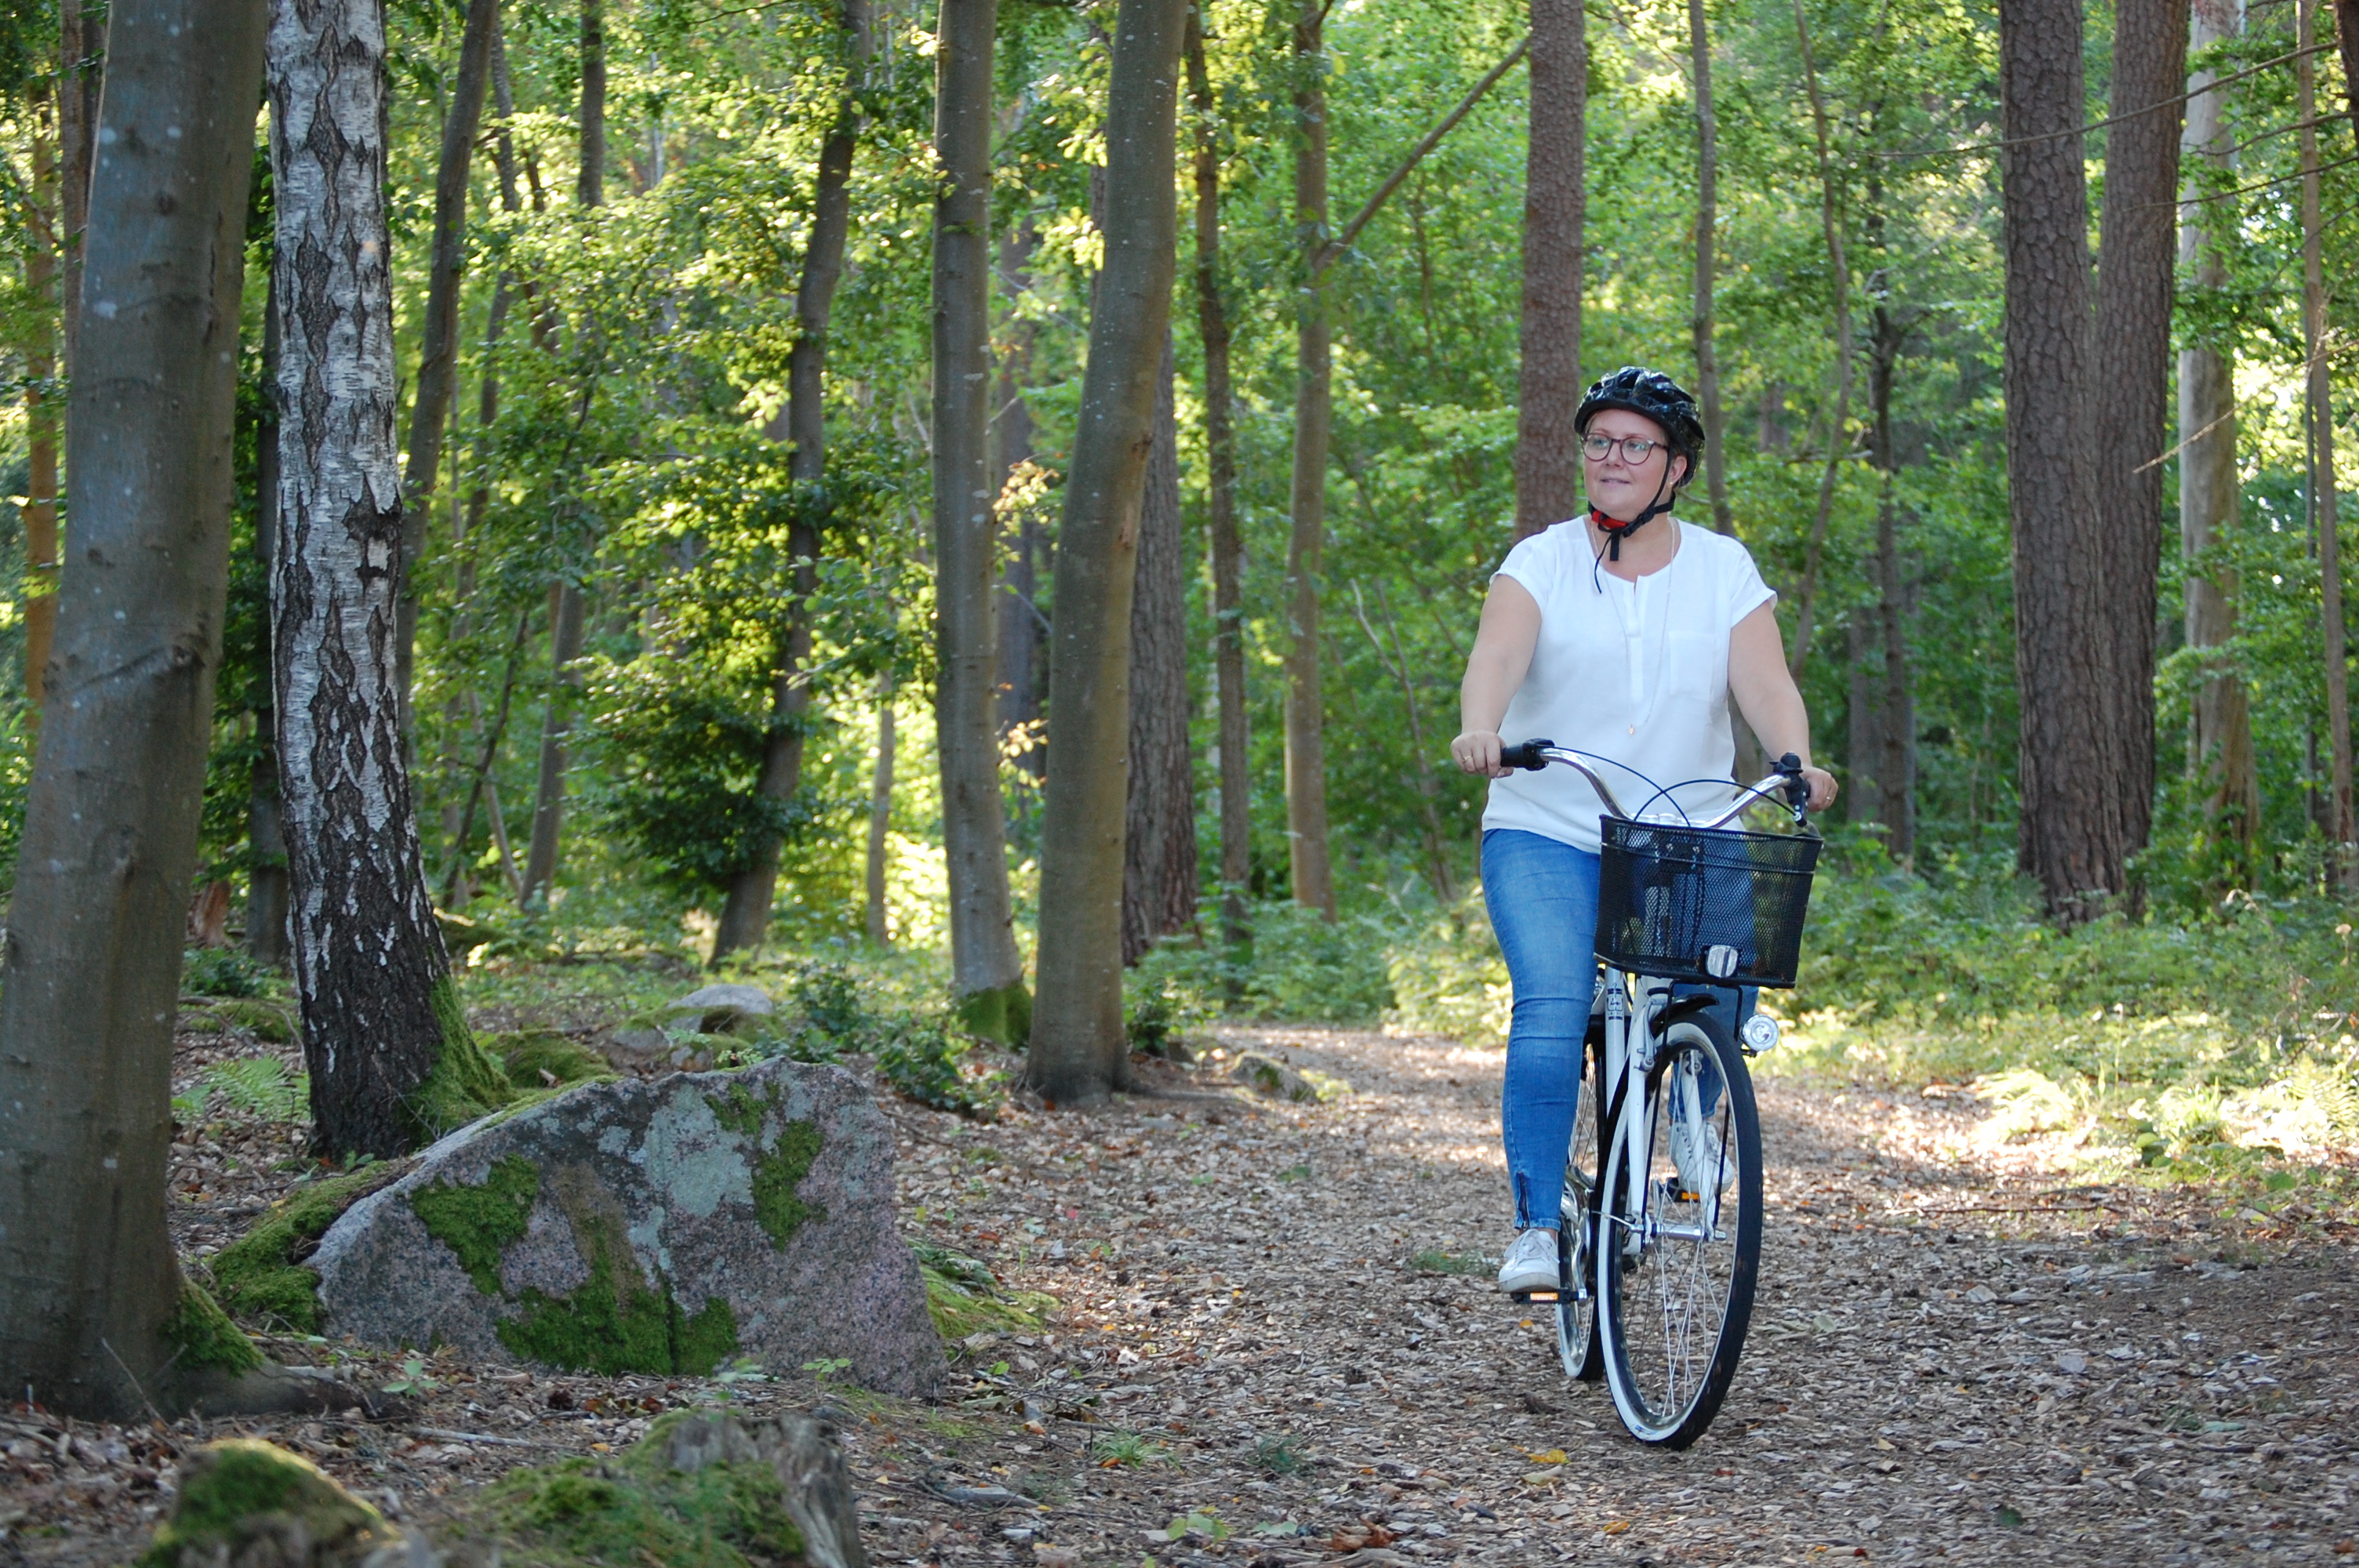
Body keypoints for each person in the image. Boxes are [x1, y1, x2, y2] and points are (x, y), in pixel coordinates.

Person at [1449, 366, 1837, 1297]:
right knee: (1550, 1002)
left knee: (1718, 979)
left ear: (1674, 468)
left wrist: (1794, 759)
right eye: (1598, 442)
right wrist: (1482, 728)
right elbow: (1496, 652)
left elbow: (1764, 684)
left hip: (1683, 829)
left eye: (1634, 445)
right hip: (1546, 823)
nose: (1611, 458)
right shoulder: (1540, 559)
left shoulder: (1720, 569)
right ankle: (1537, 1226)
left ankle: (1695, 1121)